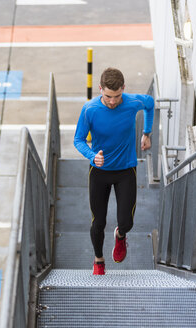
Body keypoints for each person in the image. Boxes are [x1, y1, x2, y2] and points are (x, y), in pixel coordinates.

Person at [73, 67, 154, 275]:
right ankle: (98, 260)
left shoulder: (132, 102)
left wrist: (147, 132)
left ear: (123, 89)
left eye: (117, 96)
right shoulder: (90, 109)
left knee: (126, 222)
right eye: (108, 96)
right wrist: (92, 156)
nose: (112, 101)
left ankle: (120, 236)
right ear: (100, 89)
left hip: (125, 170)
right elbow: (78, 140)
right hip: (99, 171)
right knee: (98, 222)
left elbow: (150, 104)